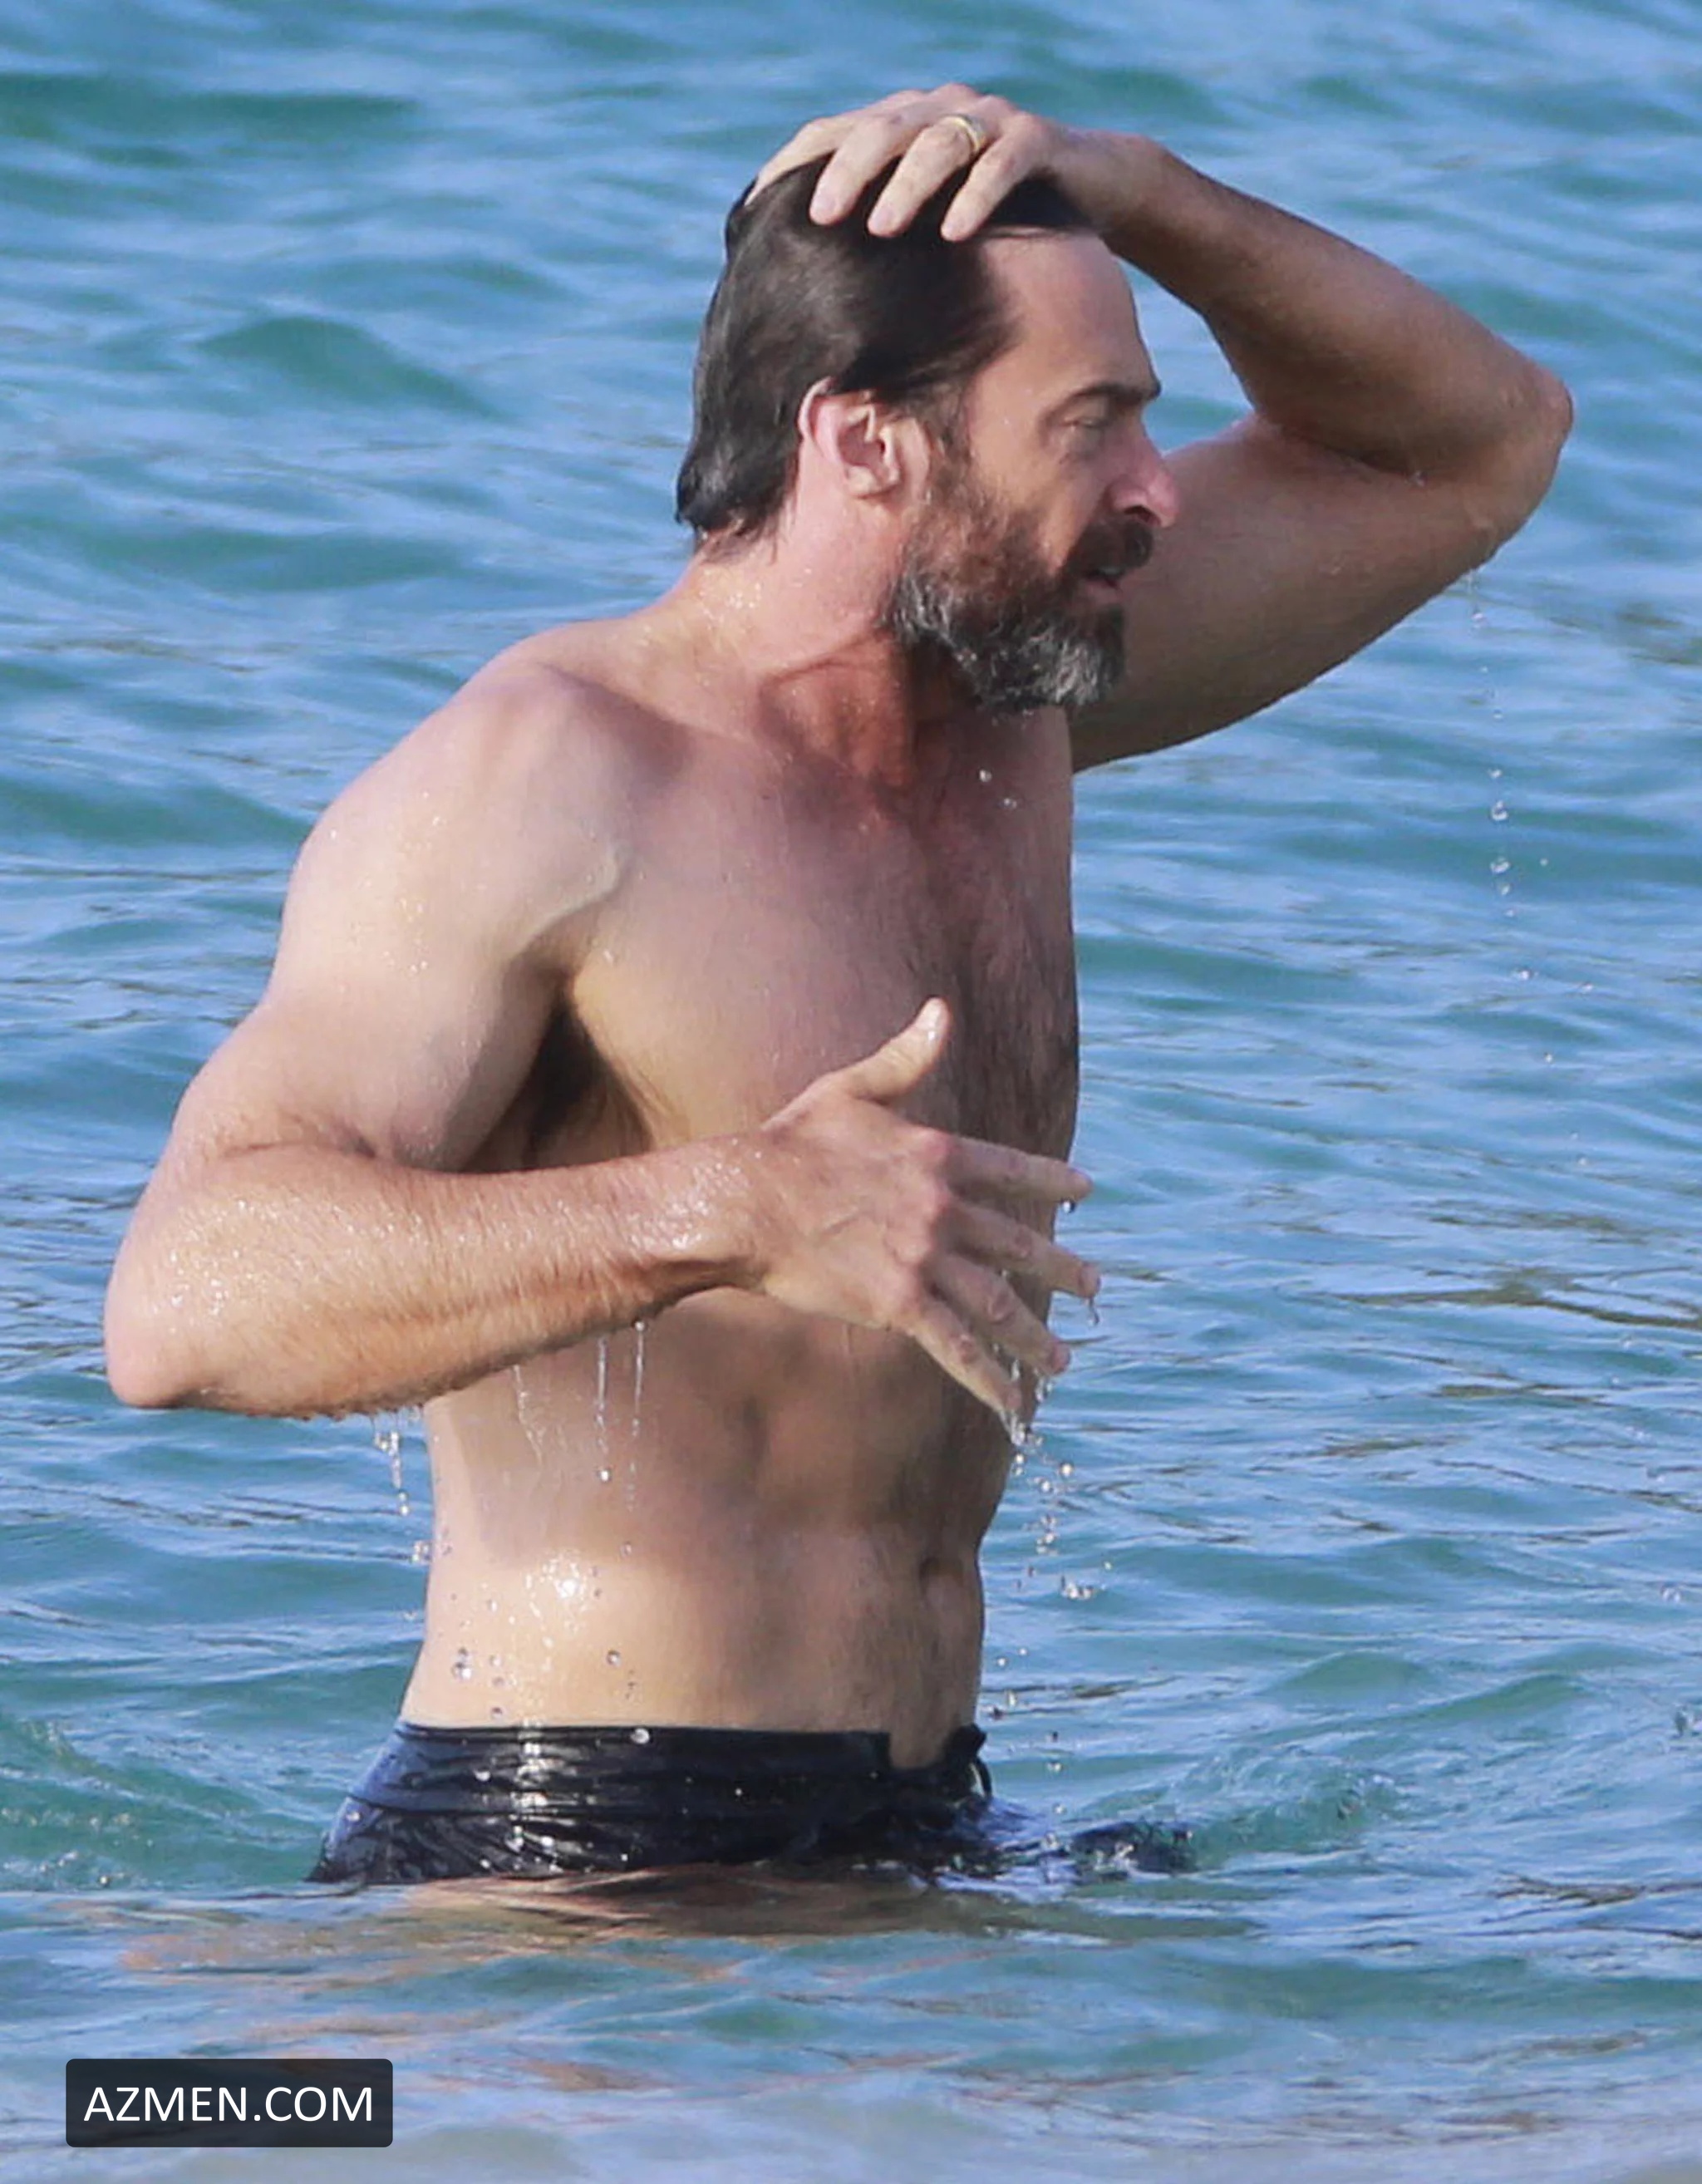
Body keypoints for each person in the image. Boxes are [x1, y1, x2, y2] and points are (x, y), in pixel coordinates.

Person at [104, 86, 1570, 1884]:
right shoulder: (550, 785)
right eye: (1092, 424)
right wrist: (733, 1205)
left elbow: (1474, 448)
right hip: (581, 1861)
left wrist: (1136, 192)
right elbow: (183, 1302)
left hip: (922, 1826)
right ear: (863, 442)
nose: (1156, 488)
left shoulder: (1015, 699)